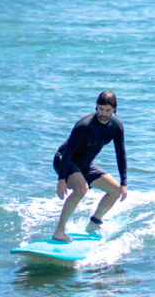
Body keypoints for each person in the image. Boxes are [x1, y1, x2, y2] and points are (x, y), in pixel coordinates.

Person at [51, 90, 128, 242]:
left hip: (85, 165)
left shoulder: (116, 126)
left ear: (114, 109)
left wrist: (124, 182)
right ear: (96, 107)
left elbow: (121, 154)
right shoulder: (84, 125)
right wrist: (61, 180)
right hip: (64, 161)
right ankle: (59, 231)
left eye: (108, 110)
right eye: (101, 109)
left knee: (116, 190)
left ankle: (94, 223)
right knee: (82, 188)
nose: (104, 114)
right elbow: (66, 153)